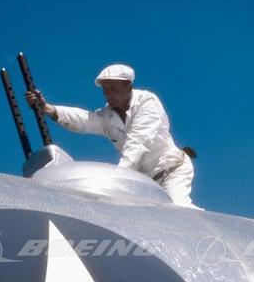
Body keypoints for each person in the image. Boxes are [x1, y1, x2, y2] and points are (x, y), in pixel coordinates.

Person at [25, 64, 197, 208]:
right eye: (105, 89)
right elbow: (85, 120)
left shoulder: (147, 102)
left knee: (179, 210)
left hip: (172, 170)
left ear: (128, 86)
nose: (108, 94)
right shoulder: (107, 115)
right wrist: (49, 109)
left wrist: (120, 178)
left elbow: (138, 141)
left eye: (113, 88)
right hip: (146, 183)